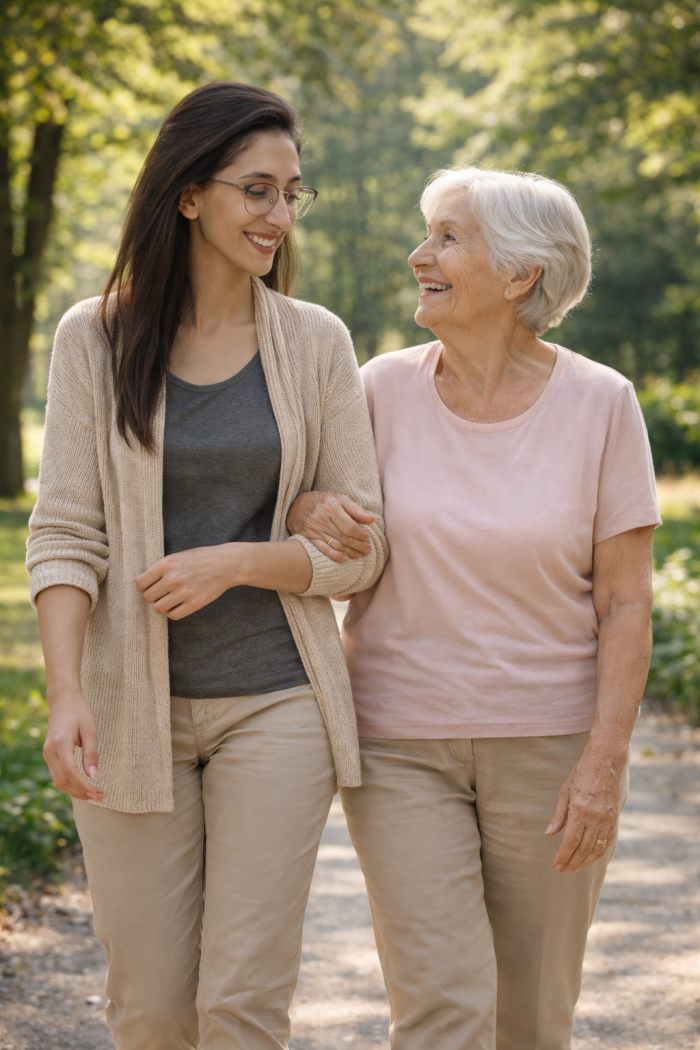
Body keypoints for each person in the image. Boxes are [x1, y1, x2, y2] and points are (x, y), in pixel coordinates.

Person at [27, 81, 387, 1050]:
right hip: (129, 711)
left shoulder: (316, 346)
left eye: (290, 194)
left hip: (278, 703)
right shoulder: (92, 340)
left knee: (241, 1005)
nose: (278, 216)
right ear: (189, 193)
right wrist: (68, 697)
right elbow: (64, 533)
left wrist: (238, 560)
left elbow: (362, 552)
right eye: (255, 190)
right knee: (148, 1011)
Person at [287, 167, 660, 1049]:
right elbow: (305, 502)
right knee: (443, 1008)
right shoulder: (375, 388)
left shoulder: (603, 404)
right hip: (399, 743)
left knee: (530, 1018)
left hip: (552, 749)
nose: (421, 255)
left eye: (449, 238)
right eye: (428, 235)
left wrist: (602, 764)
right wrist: (307, 507)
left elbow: (625, 605)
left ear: (522, 274)